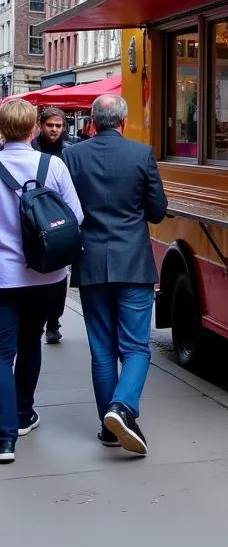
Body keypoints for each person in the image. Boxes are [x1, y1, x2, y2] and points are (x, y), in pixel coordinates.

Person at [64, 95, 168, 454]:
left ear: (92, 121)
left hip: (90, 263)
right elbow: (157, 211)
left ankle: (109, 430)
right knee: (137, 346)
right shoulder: (141, 155)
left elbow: (66, 209)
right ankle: (122, 407)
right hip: (133, 264)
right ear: (123, 122)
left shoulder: (73, 156)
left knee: (102, 350)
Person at [0, 99, 83, 463]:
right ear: (34, 129)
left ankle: (4, 439)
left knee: (2, 354)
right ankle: (22, 415)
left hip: (2, 276)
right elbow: (75, 216)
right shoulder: (53, 166)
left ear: (3, 129)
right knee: (31, 342)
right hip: (47, 275)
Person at [33, 106, 75, 343]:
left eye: (59, 126)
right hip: (36, 217)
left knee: (59, 274)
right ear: (41, 125)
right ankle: (39, 319)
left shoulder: (68, 152)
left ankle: (53, 321)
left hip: (60, 220)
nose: (55, 130)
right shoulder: (32, 150)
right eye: (50, 125)